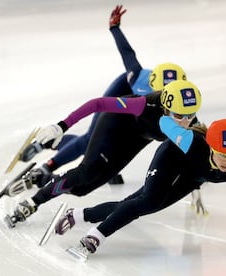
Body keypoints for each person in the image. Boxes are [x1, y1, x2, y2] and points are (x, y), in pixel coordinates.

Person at [15, 5, 187, 187]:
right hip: (123, 92)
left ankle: (47, 144)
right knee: (92, 137)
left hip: (136, 108)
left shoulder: (178, 98)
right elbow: (127, 53)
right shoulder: (137, 76)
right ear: (152, 86)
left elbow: (188, 132)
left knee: (113, 142)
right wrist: (114, 28)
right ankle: (48, 165)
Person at [53, 118, 226, 257]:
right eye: (222, 154)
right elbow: (163, 123)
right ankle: (94, 237)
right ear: (210, 146)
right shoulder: (189, 141)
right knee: (147, 201)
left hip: (192, 177)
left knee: (139, 205)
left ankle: (79, 215)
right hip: (171, 157)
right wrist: (181, 123)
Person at [5, 79, 204, 227]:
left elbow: (190, 153)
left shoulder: (188, 120)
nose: (185, 122)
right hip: (116, 124)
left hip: (137, 139)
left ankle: (42, 179)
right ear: (165, 106)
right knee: (86, 172)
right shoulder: (144, 104)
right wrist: (62, 126)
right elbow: (98, 104)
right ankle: (33, 202)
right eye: (178, 116)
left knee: (83, 189)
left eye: (191, 115)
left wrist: (194, 186)